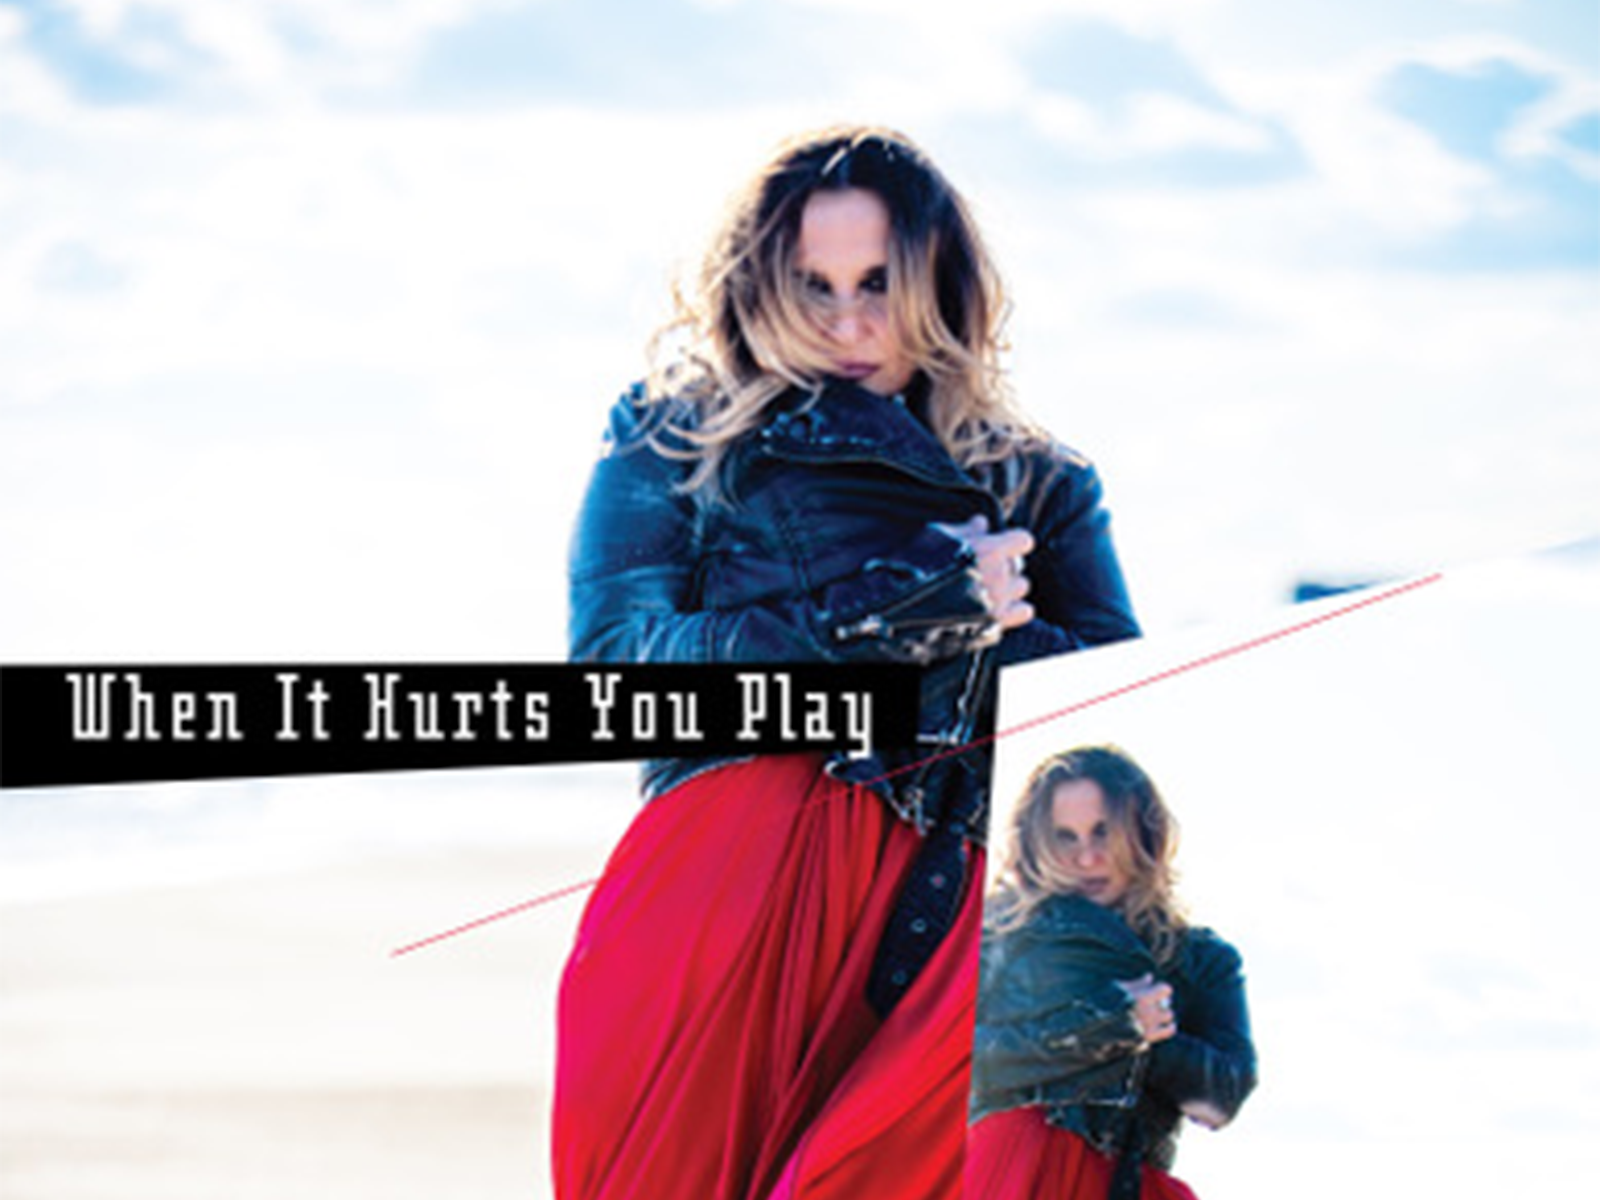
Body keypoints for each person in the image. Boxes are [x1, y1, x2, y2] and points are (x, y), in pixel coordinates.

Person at [554, 125, 1140, 1200]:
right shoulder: (678, 434)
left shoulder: (1039, 481)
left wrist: (985, 641)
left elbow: (1123, 734)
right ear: (757, 286)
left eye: (879, 282)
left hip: (961, 920)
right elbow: (616, 670)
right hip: (718, 905)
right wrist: (873, 616)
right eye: (809, 286)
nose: (846, 323)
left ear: (940, 279)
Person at [968, 746, 1257, 1200]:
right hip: (1011, 1169)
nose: (1087, 858)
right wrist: (1107, 1028)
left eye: (1103, 832)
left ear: (1142, 830)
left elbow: (1223, 1098)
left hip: (1129, 1179)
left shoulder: (1201, 957)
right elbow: (964, 1061)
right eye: (1066, 837)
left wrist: (1155, 1041)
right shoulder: (999, 936)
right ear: (1038, 843)